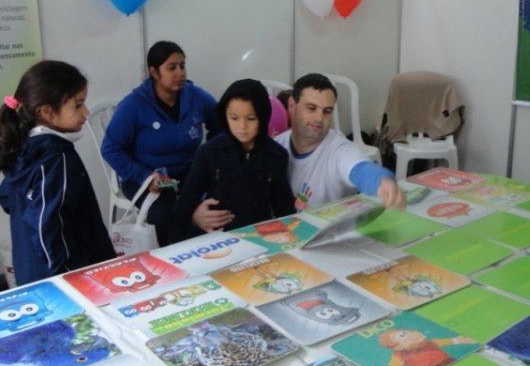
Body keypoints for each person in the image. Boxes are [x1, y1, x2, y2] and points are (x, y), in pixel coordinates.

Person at [192, 73, 405, 231]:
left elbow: (359, 168)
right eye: (311, 108)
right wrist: (198, 213)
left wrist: (380, 181)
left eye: (327, 111)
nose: (319, 118)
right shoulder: (276, 147)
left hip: (324, 241)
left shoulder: (338, 148)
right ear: (292, 105)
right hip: (278, 240)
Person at [0, 60, 116, 285]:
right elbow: (47, 226)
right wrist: (67, 277)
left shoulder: (24, 145)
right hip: (66, 277)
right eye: (78, 105)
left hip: (31, 269)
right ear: (46, 111)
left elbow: (6, 198)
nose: (86, 113)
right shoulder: (57, 158)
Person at [101, 41, 220, 246]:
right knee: (166, 214)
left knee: (220, 200)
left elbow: (221, 127)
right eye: (171, 68)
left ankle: (212, 254)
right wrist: (144, 176)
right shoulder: (134, 104)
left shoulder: (196, 96)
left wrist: (210, 162)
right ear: (154, 72)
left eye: (182, 66)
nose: (180, 73)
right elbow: (110, 148)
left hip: (188, 173)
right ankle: (176, 261)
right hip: (145, 178)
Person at [171, 79, 295, 240]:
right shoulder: (210, 152)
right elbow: (186, 202)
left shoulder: (276, 155)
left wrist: (293, 242)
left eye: (250, 118)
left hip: (257, 238)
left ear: (263, 117)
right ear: (225, 116)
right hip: (215, 238)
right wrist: (176, 246)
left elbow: (283, 206)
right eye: (234, 118)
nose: (242, 126)